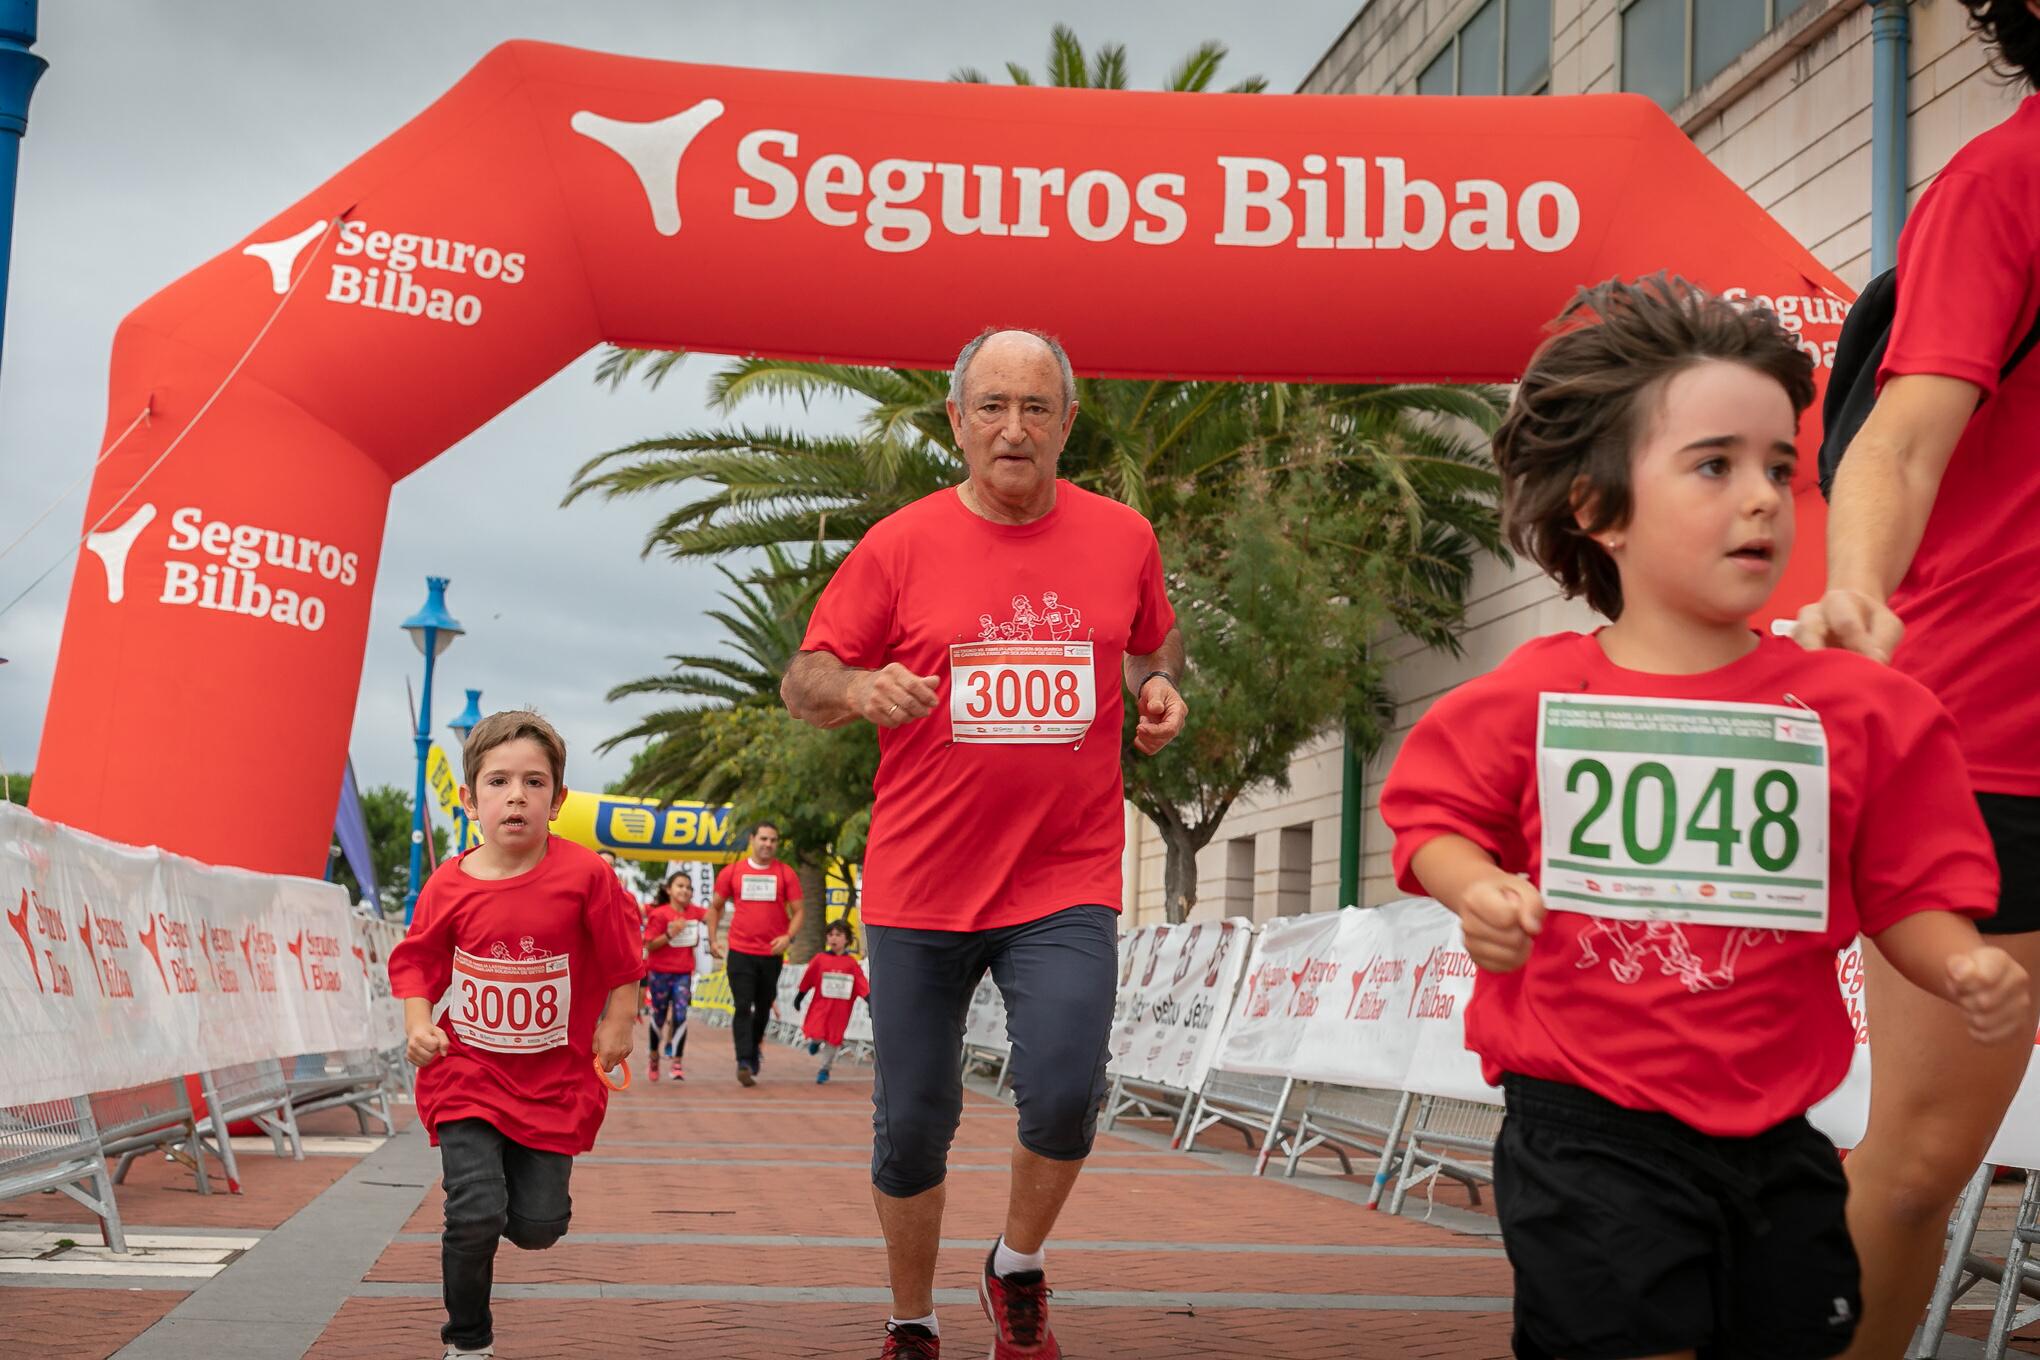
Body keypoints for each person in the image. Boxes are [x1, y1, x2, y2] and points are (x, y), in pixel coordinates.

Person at [1381, 277, 2030, 1360]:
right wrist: (1473, 884)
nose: (1767, 497)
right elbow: (1431, 815)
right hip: (1588, 1123)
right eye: (1715, 465)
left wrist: (1958, 960)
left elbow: (1905, 887)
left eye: (1780, 465)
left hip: (1778, 1136)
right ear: (1599, 508)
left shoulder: (1860, 712)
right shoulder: (1529, 697)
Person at [782, 326, 1187, 1360]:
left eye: (1036, 407)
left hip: (1067, 875)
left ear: (1067, 423)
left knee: (1063, 1089)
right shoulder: (900, 544)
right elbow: (806, 677)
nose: (1015, 428)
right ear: (956, 421)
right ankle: (911, 1320)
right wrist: (861, 686)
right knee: (914, 1120)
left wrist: (1157, 685)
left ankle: (1014, 1265)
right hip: (921, 884)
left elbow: (1152, 635)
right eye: (993, 407)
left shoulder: (1122, 537)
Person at [1791, 7, 2040, 1353]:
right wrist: (1858, 592)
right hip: (1998, 750)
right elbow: (1903, 438)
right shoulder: (2004, 185)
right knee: (1924, 1168)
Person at [388, 710, 644, 1360]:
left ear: (556, 801)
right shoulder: (448, 884)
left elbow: (622, 963)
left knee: (536, 1227)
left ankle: (515, 1202)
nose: (516, 796)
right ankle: (467, 1342)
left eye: (534, 783)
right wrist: (419, 1024)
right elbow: (417, 961)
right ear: (471, 798)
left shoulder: (586, 876)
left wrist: (617, 1024)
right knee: (474, 1210)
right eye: (499, 781)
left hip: (553, 1084)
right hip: (466, 1073)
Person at [707, 822, 803, 1086]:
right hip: (740, 951)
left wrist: (788, 937)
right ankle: (744, 1061)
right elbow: (714, 908)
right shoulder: (733, 872)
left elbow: (799, 912)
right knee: (742, 1005)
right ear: (752, 839)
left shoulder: (785, 874)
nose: (768, 844)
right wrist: (712, 939)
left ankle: (753, 1050)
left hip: (771, 953)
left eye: (773, 840)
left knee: (763, 1007)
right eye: (763, 838)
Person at [644, 869, 709, 1082]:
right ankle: (654, 1057)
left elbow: (713, 913)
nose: (685, 890)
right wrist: (671, 933)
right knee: (660, 1017)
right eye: (680, 886)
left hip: (683, 972)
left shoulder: (694, 912)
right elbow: (650, 944)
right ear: (669, 890)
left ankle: (677, 1063)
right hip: (659, 973)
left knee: (681, 1016)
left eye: (689, 887)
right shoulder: (660, 913)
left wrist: (714, 938)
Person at [795, 918, 870, 1083]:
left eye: (838, 935)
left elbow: (861, 984)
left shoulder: (851, 964)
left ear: (847, 939)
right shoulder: (820, 959)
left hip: (840, 1009)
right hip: (821, 1005)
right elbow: (808, 978)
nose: (834, 938)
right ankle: (815, 1041)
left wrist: (870, 1001)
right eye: (830, 935)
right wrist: (799, 997)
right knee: (816, 1029)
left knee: (834, 1038)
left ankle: (824, 1068)